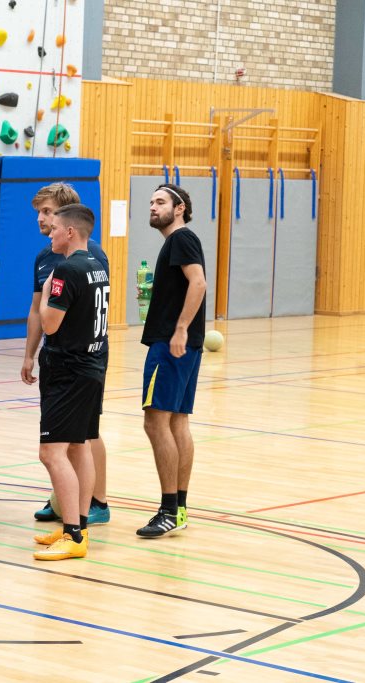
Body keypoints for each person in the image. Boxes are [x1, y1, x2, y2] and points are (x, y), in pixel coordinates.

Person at [20, 183, 111, 526]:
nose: (41, 219)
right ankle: (64, 502)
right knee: (67, 438)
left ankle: (96, 501)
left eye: (47, 212)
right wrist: (29, 354)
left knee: (84, 435)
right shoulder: (45, 257)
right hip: (59, 356)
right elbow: (36, 310)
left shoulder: (89, 256)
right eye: (39, 213)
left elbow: (71, 313)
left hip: (80, 358)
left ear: (66, 220)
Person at [136, 183, 206, 539]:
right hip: (181, 343)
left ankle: (167, 509)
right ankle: (177, 509)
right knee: (177, 422)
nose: (153, 206)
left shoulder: (181, 238)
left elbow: (198, 283)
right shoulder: (176, 243)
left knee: (155, 422)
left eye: (160, 202)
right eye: (151, 202)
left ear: (179, 209)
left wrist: (180, 328)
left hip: (171, 343)